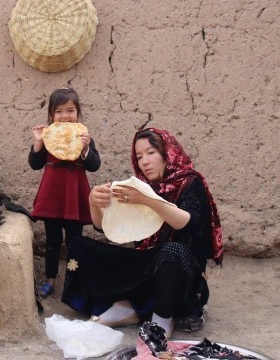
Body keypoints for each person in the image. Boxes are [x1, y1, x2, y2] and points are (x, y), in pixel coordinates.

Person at [61, 128, 223, 338]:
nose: (144, 161)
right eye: (139, 156)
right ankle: (132, 307)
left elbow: (189, 222)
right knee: (79, 246)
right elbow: (103, 226)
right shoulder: (138, 187)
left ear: (168, 153)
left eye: (151, 153)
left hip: (180, 274)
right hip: (145, 268)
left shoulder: (190, 182)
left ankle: (160, 318)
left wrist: (147, 200)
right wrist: (94, 202)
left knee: (172, 252)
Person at [28, 88, 101, 299]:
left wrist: (86, 148)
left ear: (78, 113)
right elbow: (35, 164)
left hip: (74, 197)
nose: (65, 116)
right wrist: (38, 141)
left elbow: (94, 165)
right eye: (58, 111)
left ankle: (74, 281)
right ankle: (50, 280)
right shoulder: (49, 136)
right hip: (53, 197)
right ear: (51, 115)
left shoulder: (84, 137)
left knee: (75, 241)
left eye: (70, 110)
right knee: (52, 241)